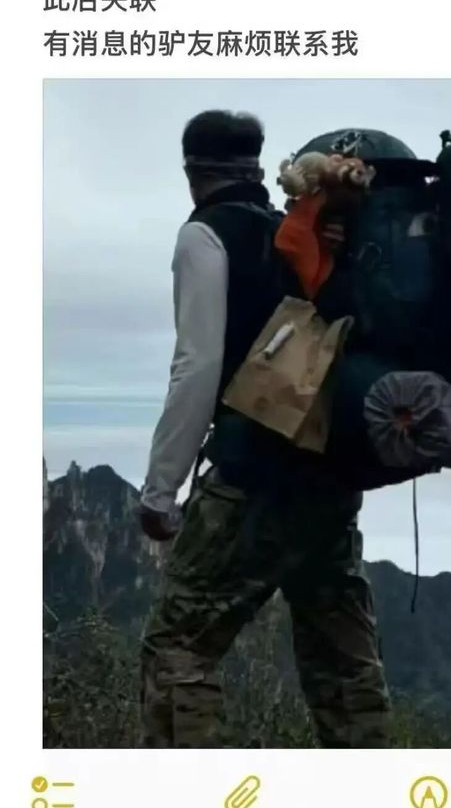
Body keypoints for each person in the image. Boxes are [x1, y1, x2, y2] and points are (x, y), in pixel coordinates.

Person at [139, 110, 392, 750]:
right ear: (257, 168)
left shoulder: (206, 234)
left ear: (192, 171)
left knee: (179, 648)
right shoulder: (296, 232)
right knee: (342, 661)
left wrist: (161, 490)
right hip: (329, 479)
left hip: (251, 477)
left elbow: (197, 365)